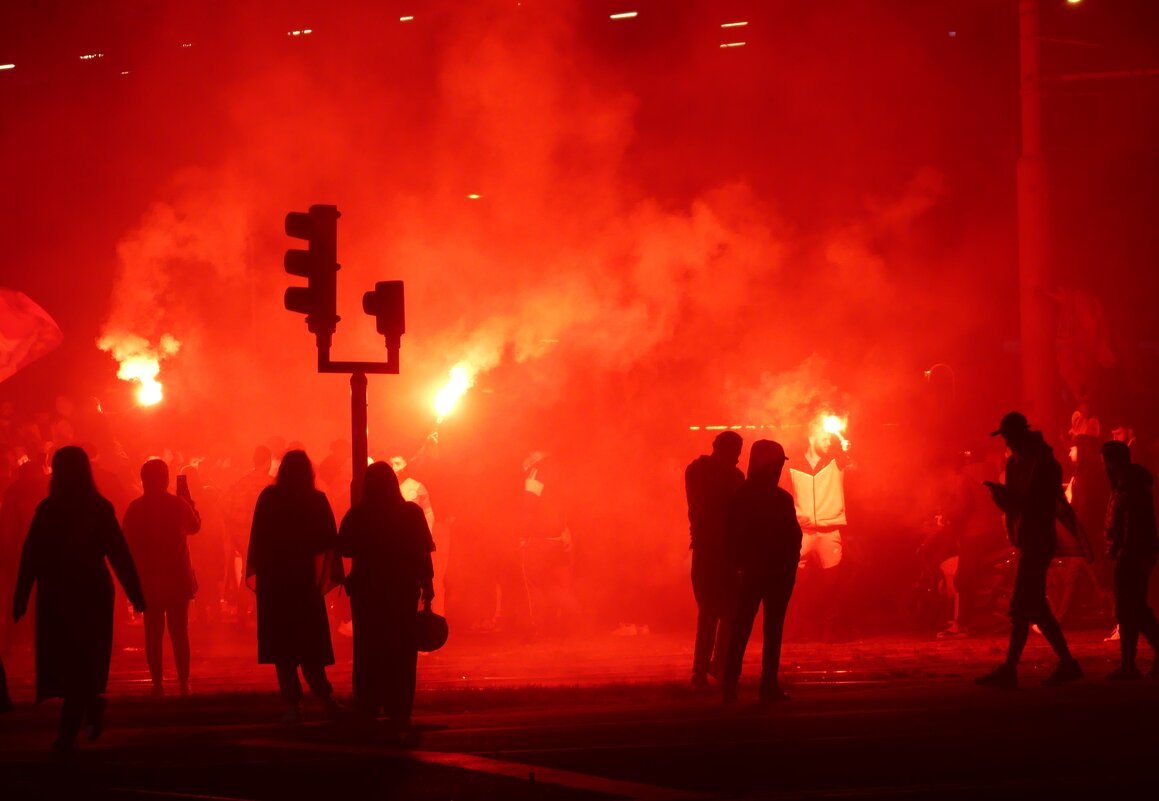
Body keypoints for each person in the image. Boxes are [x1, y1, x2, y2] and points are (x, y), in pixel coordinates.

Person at [12, 446, 146, 753]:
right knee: (88, 658)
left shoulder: (48, 510)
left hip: (58, 593)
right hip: (93, 593)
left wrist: (21, 596)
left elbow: (30, 555)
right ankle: (87, 709)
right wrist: (135, 593)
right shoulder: (98, 507)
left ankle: (70, 730)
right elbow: (119, 553)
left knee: (69, 661)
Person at [976, 412, 1082, 688]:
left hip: (1038, 541)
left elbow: (1035, 504)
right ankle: (1065, 663)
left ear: (1021, 435)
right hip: (1025, 539)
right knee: (1034, 607)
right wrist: (1001, 498)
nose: (1007, 442)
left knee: (1022, 607)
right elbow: (1016, 505)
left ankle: (1013, 669)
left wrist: (1005, 497)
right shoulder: (1015, 463)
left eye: (1009, 436)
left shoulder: (1043, 463)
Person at [246, 449, 343, 723]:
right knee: (309, 644)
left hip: (276, 582)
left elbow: (259, 540)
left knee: (284, 648)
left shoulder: (269, 498)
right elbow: (329, 541)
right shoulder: (316, 500)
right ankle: (325, 698)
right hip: (303, 581)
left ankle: (292, 703)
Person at [337, 462, 435, 726]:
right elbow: (423, 553)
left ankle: (368, 702)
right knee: (402, 650)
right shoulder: (411, 513)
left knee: (369, 649)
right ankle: (399, 705)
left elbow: (343, 547)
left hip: (368, 593)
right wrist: (428, 585)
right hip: (401, 591)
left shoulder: (359, 514)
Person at [721, 440, 802, 703]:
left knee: (740, 629)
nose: (779, 469)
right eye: (778, 464)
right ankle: (766, 687)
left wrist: (737, 568)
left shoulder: (740, 497)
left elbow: (730, 538)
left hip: (751, 573)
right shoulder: (780, 499)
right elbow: (793, 538)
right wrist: (789, 569)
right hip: (774, 574)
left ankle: (730, 687)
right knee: (771, 631)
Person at [122, 459, 201, 696]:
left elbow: (126, 542)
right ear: (166, 479)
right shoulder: (177, 504)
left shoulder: (135, 508)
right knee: (179, 632)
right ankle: (184, 681)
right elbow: (195, 527)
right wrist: (190, 503)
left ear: (143, 479)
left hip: (149, 579)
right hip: (177, 577)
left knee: (153, 633)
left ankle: (157, 683)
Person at [685, 431, 744, 687]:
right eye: (734, 451)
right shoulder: (701, 471)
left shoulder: (727, 474)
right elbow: (712, 504)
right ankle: (703, 669)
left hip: (723, 550)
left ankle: (714, 667)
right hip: (711, 549)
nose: (737, 458)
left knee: (725, 612)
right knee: (712, 610)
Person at [785, 414, 852, 639]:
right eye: (824, 438)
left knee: (832, 584)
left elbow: (851, 462)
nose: (828, 441)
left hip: (829, 531)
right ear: (811, 436)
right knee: (793, 582)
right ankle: (796, 629)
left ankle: (828, 629)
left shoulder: (837, 461)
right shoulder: (792, 464)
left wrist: (845, 448)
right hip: (801, 533)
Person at [1100, 440, 1159, 679]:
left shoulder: (1131, 488)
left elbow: (1133, 525)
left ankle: (1128, 664)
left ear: (1112, 461)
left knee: (1130, 609)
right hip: (1132, 553)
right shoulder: (1127, 485)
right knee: (1134, 609)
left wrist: (1121, 551)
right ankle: (1129, 663)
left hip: (1131, 555)